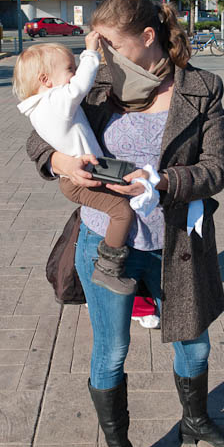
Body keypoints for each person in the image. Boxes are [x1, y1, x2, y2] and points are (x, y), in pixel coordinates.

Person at [26, 0, 224, 447]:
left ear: (147, 38)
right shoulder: (96, 84)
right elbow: (37, 130)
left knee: (193, 346)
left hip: (176, 244)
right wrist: (58, 159)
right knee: (112, 351)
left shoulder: (202, 87)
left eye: (109, 45)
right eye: (96, 46)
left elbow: (216, 168)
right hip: (105, 242)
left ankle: (195, 420)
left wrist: (166, 180)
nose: (99, 55)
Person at [13, 36, 160, 296]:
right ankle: (108, 268)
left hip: (91, 170)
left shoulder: (44, 105)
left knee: (125, 188)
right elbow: (81, 84)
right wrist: (89, 52)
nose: (75, 73)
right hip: (79, 178)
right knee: (121, 212)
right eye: (69, 69)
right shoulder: (54, 102)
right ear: (46, 80)